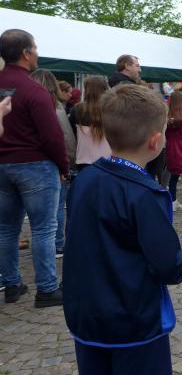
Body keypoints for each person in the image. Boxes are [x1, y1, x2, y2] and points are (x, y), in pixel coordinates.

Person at [63, 84, 182, 375]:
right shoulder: (145, 193)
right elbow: (168, 265)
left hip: (87, 313)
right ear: (155, 141)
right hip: (132, 317)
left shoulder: (85, 179)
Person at [0, 29, 68, 307]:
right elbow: (52, 136)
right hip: (35, 166)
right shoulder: (34, 89)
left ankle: (11, 284)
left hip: (2, 166)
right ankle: (47, 289)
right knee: (43, 229)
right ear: (26, 53)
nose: (37, 53)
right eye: (36, 48)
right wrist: (63, 165)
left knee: (6, 229)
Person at [31, 70, 77, 258]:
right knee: (54, 210)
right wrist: (67, 165)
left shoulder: (25, 104)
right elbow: (65, 139)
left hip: (28, 164)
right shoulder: (55, 108)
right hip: (51, 165)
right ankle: (58, 245)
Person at [69, 76, 112, 171]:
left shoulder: (77, 109)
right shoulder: (112, 109)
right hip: (109, 159)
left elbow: (73, 134)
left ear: (86, 90)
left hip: (84, 160)